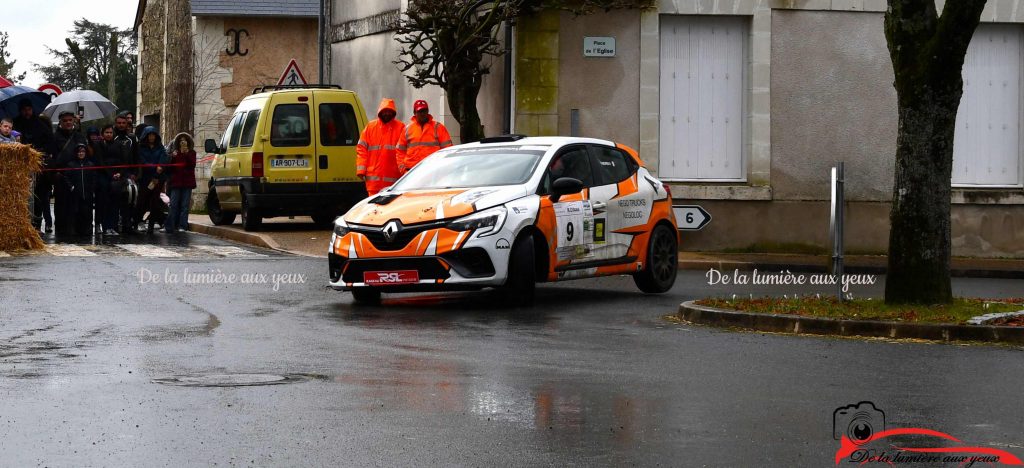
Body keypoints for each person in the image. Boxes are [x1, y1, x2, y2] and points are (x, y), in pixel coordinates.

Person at [14, 99, 54, 231]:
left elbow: (49, 142)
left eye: (29, 109)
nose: (27, 112)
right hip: (20, 166)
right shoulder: (15, 124)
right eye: (24, 110)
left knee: (39, 195)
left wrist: (40, 153)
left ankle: (37, 222)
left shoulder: (40, 124)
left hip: (38, 164)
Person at [356, 98, 405, 196]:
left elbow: (404, 151)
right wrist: (361, 170)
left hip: (394, 182)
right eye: (385, 111)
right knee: (374, 209)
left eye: (389, 111)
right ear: (380, 112)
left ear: (393, 112)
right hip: (374, 182)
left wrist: (405, 172)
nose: (387, 114)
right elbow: (361, 148)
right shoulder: (370, 127)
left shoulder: (401, 128)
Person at [51, 111, 88, 236]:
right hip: (61, 175)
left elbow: (85, 151)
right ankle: (61, 228)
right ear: (60, 122)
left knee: (76, 202)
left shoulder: (79, 136)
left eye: (70, 120)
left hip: (76, 174)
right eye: (65, 120)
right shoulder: (55, 137)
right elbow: (52, 156)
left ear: (73, 121)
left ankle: (76, 228)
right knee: (61, 203)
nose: (68, 122)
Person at [396, 99, 453, 174]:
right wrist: (403, 169)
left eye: (424, 111)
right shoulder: (407, 129)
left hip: (433, 170)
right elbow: (400, 151)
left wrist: (442, 169)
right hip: (411, 171)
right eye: (419, 111)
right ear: (414, 113)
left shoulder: (438, 128)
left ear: (428, 111)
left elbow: (448, 150)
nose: (422, 114)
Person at [136, 126, 168, 234]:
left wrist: (158, 171)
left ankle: (151, 224)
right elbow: (143, 162)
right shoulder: (141, 147)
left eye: (153, 135)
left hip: (158, 178)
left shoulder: (160, 147)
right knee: (142, 201)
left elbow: (164, 158)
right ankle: (139, 221)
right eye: (149, 135)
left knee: (155, 202)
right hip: (145, 178)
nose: (151, 137)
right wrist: (155, 168)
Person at [112, 115, 140, 233]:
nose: (121, 125)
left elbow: (136, 156)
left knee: (130, 199)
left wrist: (135, 173)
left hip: (129, 173)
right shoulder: (112, 137)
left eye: (123, 123)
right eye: (119, 123)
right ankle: (114, 224)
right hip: (115, 174)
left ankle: (127, 224)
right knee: (115, 200)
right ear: (116, 123)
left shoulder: (132, 139)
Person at [164, 133, 196, 233]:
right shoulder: (175, 153)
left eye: (185, 140)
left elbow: (192, 165)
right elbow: (170, 166)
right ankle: (170, 226)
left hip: (187, 182)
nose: (183, 142)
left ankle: (183, 225)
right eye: (181, 140)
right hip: (176, 182)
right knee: (173, 204)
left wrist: (186, 154)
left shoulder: (192, 153)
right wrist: (172, 157)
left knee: (184, 205)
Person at [63, 143, 97, 236]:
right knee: (75, 211)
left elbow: (94, 178)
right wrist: (71, 187)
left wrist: (92, 188)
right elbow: (66, 177)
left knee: (87, 212)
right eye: (79, 152)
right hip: (75, 193)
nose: (81, 153)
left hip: (87, 193)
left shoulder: (90, 164)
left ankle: (87, 229)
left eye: (83, 151)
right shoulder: (71, 164)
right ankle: (75, 229)